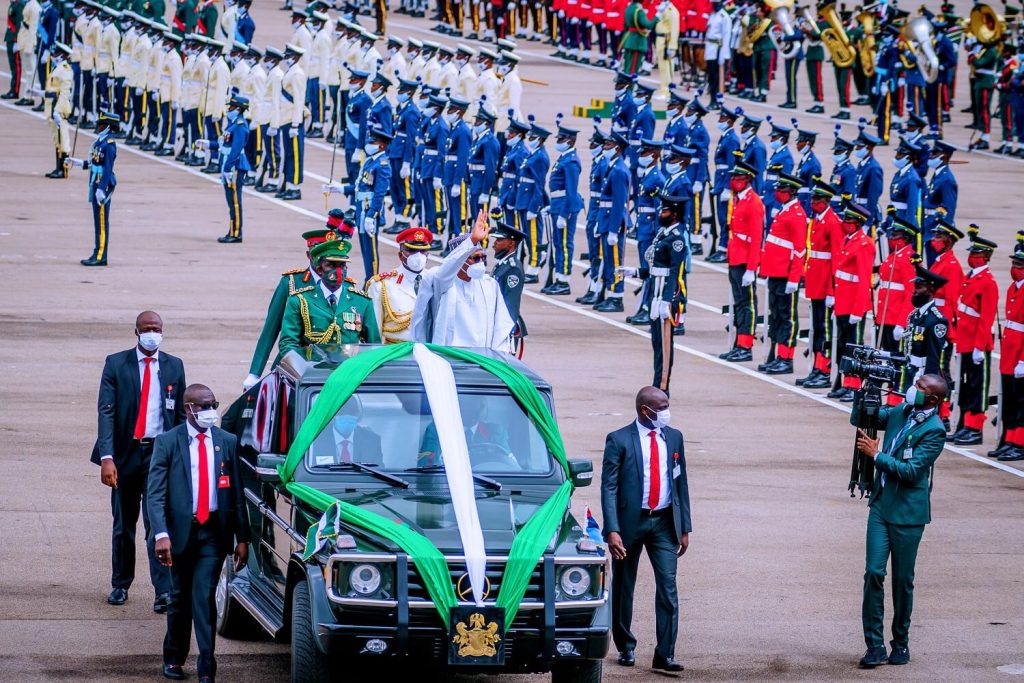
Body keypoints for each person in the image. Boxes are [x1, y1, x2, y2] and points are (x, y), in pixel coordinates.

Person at [148, 383, 250, 683]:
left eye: (213, 405)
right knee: (179, 597)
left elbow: (237, 495)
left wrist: (242, 538)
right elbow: (154, 493)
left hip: (213, 532)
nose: (210, 412)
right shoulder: (168, 442)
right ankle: (174, 658)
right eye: (203, 406)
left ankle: (207, 666)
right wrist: (161, 534)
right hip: (179, 532)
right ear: (187, 409)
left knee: (203, 596)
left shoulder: (226, 441)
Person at [91, 311, 184, 612]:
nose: (152, 334)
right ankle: (120, 584)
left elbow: (181, 415)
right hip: (126, 454)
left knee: (157, 524)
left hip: (159, 454)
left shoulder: (174, 366)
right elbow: (106, 412)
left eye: (156, 329)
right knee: (123, 524)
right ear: (136, 332)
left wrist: (180, 459)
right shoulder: (116, 364)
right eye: (147, 329)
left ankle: (163, 591)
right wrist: (108, 458)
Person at [852, 374, 947, 669]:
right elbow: (863, 417)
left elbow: (910, 471)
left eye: (920, 388)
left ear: (932, 400)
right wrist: (863, 391)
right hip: (881, 506)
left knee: (903, 582)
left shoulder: (935, 430)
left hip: (908, 515)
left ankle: (901, 642)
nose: (913, 389)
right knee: (873, 573)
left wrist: (876, 455)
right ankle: (875, 645)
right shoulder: (901, 411)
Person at [601, 385, 690, 672]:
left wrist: (684, 527)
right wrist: (612, 529)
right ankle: (625, 646)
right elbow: (609, 487)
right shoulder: (619, 440)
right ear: (645, 410)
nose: (666, 411)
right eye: (661, 407)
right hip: (630, 524)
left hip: (664, 524)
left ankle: (665, 653)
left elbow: (681, 483)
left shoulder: (674, 438)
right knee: (624, 586)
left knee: (668, 587)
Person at [244, 227, 340, 389]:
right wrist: (254, 373)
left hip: (335, 363)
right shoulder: (291, 283)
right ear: (309, 255)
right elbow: (271, 329)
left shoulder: (344, 284)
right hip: (295, 362)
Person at [411, 209, 515, 352]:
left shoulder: (489, 285)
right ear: (460, 260)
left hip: (482, 360)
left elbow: (501, 326)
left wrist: (498, 358)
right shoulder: (443, 283)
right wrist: (472, 240)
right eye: (475, 258)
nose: (480, 263)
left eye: (482, 258)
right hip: (450, 359)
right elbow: (445, 270)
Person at [278, 239, 381, 360]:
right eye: (331, 265)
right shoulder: (299, 300)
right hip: (313, 369)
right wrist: (302, 367)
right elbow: (288, 344)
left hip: (348, 370)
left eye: (342, 266)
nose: (338, 271)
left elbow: (374, 345)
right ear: (320, 270)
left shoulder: (362, 302)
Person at [951, 233, 999, 445]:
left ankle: (975, 428)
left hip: (977, 344)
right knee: (966, 385)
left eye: (977, 254)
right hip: (965, 341)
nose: (973, 257)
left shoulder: (987, 282)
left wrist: (980, 346)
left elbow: (986, 318)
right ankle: (964, 424)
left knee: (977, 387)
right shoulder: (971, 276)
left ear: (986, 256)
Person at [757, 173, 806, 375]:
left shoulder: (796, 214)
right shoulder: (785, 211)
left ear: (792, 192)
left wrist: (794, 278)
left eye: (782, 190)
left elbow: (799, 249)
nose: (778, 193)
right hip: (776, 273)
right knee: (776, 315)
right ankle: (777, 355)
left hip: (786, 276)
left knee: (787, 318)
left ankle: (786, 358)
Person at [719, 161, 764, 362]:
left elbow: (756, 238)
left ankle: (746, 346)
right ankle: (739, 343)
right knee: (739, 304)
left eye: (738, 178)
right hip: (735, 257)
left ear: (747, 179)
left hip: (745, 261)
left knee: (747, 305)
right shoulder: (738, 199)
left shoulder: (753, 203)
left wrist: (752, 268)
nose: (734, 181)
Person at [67, 108, 118, 267]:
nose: (98, 127)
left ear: (108, 127)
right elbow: (94, 162)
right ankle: (97, 251)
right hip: (96, 184)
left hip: (103, 185)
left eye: (101, 124)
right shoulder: (100, 142)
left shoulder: (109, 145)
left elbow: (108, 168)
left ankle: (101, 255)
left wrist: (102, 189)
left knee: (102, 223)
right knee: (97, 222)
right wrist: (78, 163)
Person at [365, 226, 433, 344]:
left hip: (429, 352)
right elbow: (374, 333)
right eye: (411, 251)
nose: (418, 256)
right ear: (400, 255)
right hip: (395, 352)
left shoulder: (435, 281)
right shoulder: (381, 285)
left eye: (423, 251)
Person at [992, 238, 1024, 462]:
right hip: (1009, 353)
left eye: (1019, 266)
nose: (1015, 269)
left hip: (1020, 355)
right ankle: (1007, 439)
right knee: (1010, 401)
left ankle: (1019, 444)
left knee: (1021, 403)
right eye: (1014, 265)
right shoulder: (1015, 287)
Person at [490, 222, 528, 357]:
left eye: (499, 240)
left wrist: (505, 332)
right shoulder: (503, 265)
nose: (494, 243)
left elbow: (509, 303)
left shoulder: (513, 269)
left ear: (511, 243)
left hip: (505, 327)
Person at [217, 94, 251, 243]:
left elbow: (236, 150)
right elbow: (225, 144)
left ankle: (236, 233)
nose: (228, 109)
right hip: (229, 166)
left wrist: (227, 168)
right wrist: (207, 144)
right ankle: (232, 230)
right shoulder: (233, 124)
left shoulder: (240, 126)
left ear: (238, 109)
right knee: (231, 201)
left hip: (234, 167)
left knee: (235, 201)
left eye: (231, 107)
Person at [326, 397, 384, 466]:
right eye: (342, 413)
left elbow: (379, 471)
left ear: (358, 417)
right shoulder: (317, 440)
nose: (347, 419)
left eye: (351, 414)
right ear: (333, 417)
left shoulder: (372, 441)